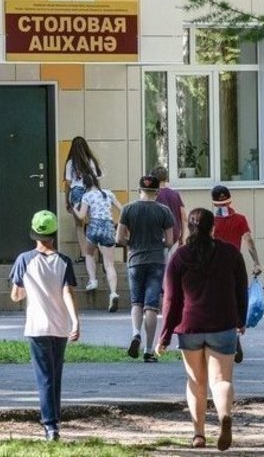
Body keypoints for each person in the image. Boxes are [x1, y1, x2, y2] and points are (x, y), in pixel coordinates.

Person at [155, 208, 248, 451]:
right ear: (213, 228)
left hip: (190, 327)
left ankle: (199, 435)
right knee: (221, 380)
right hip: (223, 325)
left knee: (196, 381)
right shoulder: (231, 253)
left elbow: (171, 299)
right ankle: (224, 416)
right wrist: (241, 320)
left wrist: (164, 336)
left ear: (190, 228)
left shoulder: (179, 257)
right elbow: (241, 289)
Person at [9, 210, 80, 442]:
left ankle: (50, 426)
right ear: (54, 234)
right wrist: (75, 321)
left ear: (34, 234)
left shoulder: (24, 260)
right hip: (60, 327)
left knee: (44, 377)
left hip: (37, 327)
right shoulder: (64, 261)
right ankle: (55, 422)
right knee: (56, 376)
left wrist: (30, 288)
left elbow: (16, 295)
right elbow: (68, 292)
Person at [115, 175, 175, 363]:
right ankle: (149, 351)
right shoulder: (164, 211)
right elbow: (170, 241)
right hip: (156, 261)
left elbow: (119, 239)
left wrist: (132, 243)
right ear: (157, 192)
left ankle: (135, 334)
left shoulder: (128, 209)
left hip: (135, 260)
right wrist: (158, 243)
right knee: (151, 306)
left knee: (136, 303)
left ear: (139, 190)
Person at [211, 184, 261, 363]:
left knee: (218, 304)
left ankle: (221, 340)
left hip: (216, 267)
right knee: (235, 300)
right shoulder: (240, 219)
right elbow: (249, 241)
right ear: (230, 200)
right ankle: (236, 334)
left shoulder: (211, 221)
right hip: (235, 265)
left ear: (214, 203)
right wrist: (256, 262)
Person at [72, 173, 123, 312]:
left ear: (85, 185)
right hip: (108, 227)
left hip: (94, 226)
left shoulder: (86, 196)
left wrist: (75, 208)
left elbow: (82, 216)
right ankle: (113, 293)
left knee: (89, 254)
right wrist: (118, 224)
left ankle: (93, 280)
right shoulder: (108, 193)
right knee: (109, 264)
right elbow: (122, 209)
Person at [64, 136, 103, 263]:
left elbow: (68, 183)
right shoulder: (92, 161)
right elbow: (96, 181)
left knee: (79, 226)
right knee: (93, 223)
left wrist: (67, 200)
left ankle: (84, 254)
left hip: (77, 194)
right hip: (91, 192)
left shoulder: (70, 163)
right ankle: (100, 253)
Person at [151, 165, 188, 249]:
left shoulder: (153, 195)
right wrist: (183, 236)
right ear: (166, 178)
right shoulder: (175, 194)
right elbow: (184, 217)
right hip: (175, 234)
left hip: (159, 236)